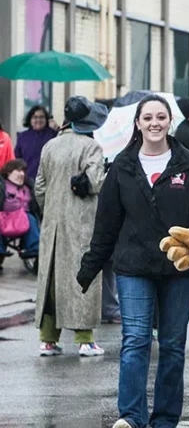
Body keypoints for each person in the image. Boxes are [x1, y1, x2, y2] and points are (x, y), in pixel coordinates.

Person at [77, 94, 189, 428]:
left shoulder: (188, 163)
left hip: (179, 270)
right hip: (133, 266)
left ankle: (166, 422)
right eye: (148, 118)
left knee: (172, 345)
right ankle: (131, 420)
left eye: (160, 117)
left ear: (169, 122)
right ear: (137, 124)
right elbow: (107, 223)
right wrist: (90, 267)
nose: (154, 123)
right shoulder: (123, 166)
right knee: (136, 340)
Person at [34, 97, 108, 357]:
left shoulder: (49, 146)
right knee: (82, 277)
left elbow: (40, 187)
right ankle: (85, 340)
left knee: (52, 280)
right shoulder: (92, 147)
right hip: (82, 222)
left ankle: (47, 339)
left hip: (52, 223)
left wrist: (52, 209)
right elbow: (95, 182)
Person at [0, 159, 40, 259]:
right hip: (4, 217)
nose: (22, 174)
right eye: (18, 170)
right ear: (9, 172)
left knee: (31, 219)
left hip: (23, 218)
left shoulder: (28, 187)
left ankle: (34, 248)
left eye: (23, 171)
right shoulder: (2, 185)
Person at [15, 105, 58, 183]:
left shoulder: (52, 134)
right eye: (35, 117)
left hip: (49, 180)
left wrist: (56, 129)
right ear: (30, 119)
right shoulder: (22, 136)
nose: (38, 120)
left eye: (41, 117)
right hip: (28, 180)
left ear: (46, 119)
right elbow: (17, 159)